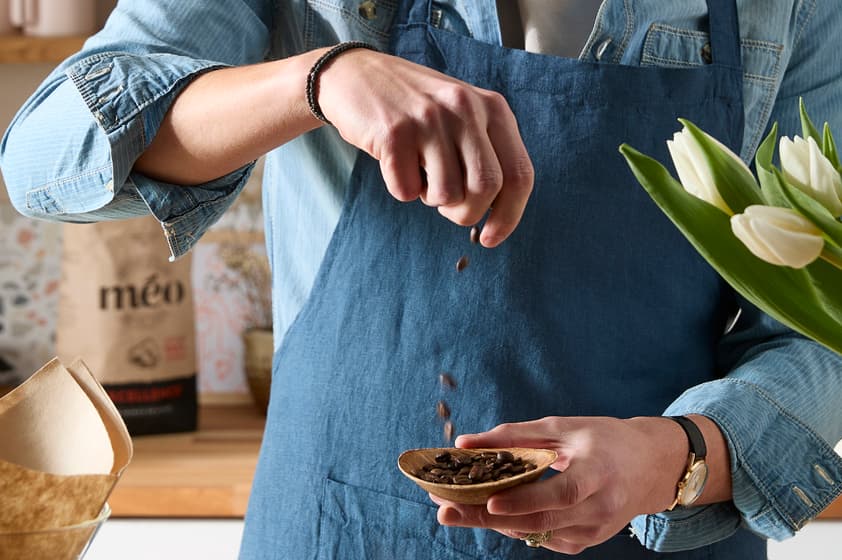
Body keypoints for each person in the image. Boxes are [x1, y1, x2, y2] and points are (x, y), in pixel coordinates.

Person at [2, 1, 842, 558]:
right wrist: (320, 78)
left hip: (653, 529)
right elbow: (44, 159)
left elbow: (822, 321)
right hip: (335, 528)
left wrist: (678, 458)